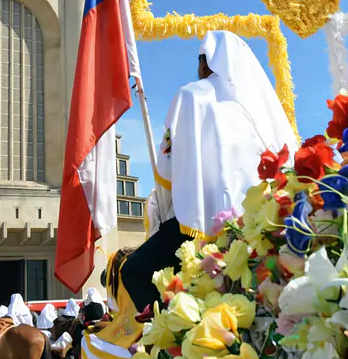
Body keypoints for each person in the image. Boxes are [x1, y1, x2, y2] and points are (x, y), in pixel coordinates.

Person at [121, 31, 298, 311]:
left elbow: (167, 168)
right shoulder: (258, 110)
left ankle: (163, 340)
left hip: (198, 224)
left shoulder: (191, 95)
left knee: (134, 271)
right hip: (254, 226)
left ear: (206, 62)